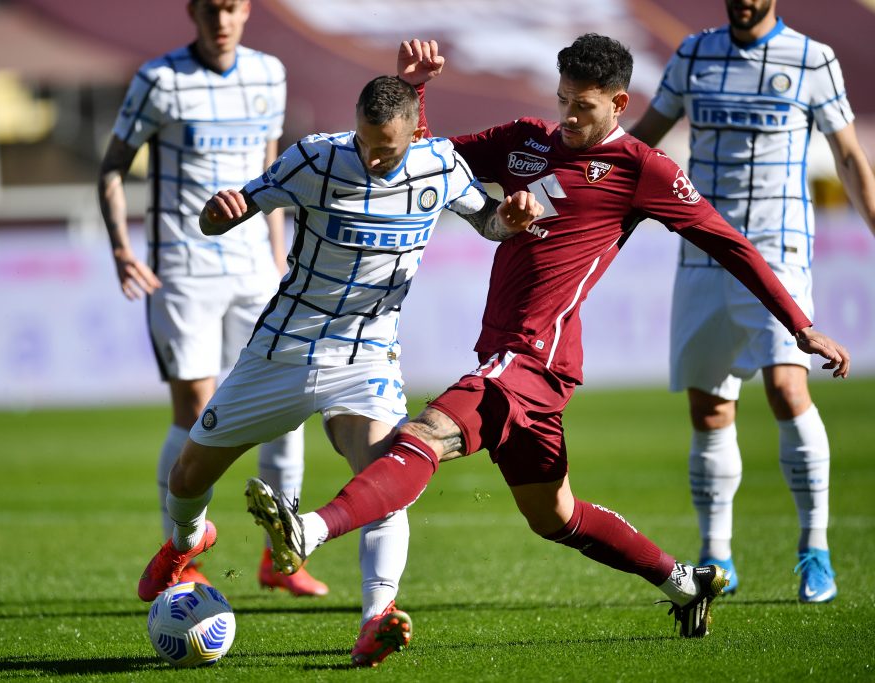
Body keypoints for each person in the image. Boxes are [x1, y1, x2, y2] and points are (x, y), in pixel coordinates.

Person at [243, 34, 852, 649]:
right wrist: (415, 91)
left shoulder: (643, 169)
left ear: (619, 103)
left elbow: (730, 243)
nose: (568, 116)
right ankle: (684, 583)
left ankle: (310, 530)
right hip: (511, 358)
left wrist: (799, 325)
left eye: (583, 106)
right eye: (563, 100)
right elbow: (428, 161)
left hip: (534, 357)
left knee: (422, 435)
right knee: (554, 516)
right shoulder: (525, 139)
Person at [136, 73, 544, 667]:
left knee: (384, 482)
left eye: (388, 149)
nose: (374, 158)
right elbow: (223, 216)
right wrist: (219, 214)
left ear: (415, 133)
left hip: (367, 356)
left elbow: (490, 224)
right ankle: (186, 541)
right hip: (284, 348)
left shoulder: (439, 165)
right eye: (366, 143)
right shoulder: (315, 159)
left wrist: (511, 217)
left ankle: (377, 618)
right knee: (188, 474)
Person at [628, 0, 875, 603]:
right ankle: (717, 556)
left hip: (777, 248)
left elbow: (848, 156)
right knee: (709, 408)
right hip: (702, 247)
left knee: (787, 388)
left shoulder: (813, 59)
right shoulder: (694, 54)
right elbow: (641, 143)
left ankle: (815, 551)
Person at [96, 0, 326, 596]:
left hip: (254, 269)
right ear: (192, 11)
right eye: (210, 9)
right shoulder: (160, 79)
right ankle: (183, 549)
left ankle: (282, 555)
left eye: (230, 7)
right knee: (196, 415)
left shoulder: (268, 74)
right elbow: (113, 166)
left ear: (245, 9)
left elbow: (270, 168)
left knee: (286, 405)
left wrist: (277, 256)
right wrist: (121, 248)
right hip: (183, 269)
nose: (220, 21)